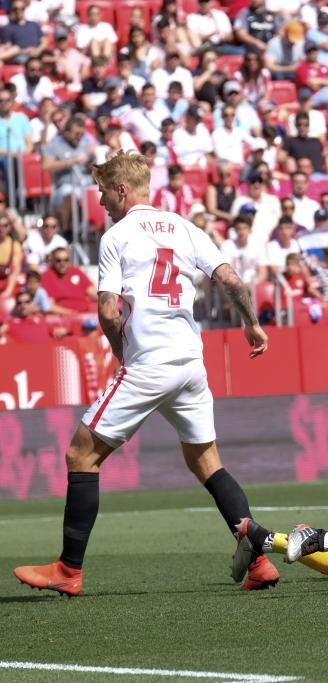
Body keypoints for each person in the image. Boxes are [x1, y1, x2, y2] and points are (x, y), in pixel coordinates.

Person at [13, 151, 279, 597]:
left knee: (81, 455)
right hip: (190, 364)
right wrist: (251, 324)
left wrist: (122, 354)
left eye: (103, 192)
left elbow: (107, 310)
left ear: (122, 190)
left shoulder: (116, 237)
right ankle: (259, 562)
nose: (100, 201)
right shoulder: (185, 227)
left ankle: (68, 569)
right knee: (207, 461)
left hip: (149, 363)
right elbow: (232, 280)